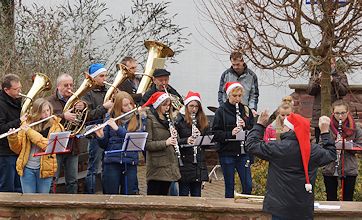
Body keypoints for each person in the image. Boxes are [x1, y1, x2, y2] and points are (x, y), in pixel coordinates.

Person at [246, 112, 336, 220]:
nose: (282, 128)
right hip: (303, 209)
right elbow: (331, 154)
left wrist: (260, 124)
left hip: (279, 209)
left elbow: (251, 144)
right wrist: (325, 132)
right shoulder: (313, 150)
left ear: (290, 129)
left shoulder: (277, 147)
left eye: (284, 125)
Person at [94, 91, 146, 194]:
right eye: (126, 105)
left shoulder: (138, 118)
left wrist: (117, 129)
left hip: (130, 162)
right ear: (118, 107)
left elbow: (136, 138)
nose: (130, 107)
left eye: (131, 104)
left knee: (129, 196)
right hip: (112, 162)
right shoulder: (110, 119)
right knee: (110, 195)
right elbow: (104, 145)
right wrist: (101, 136)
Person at [7, 98, 63, 193]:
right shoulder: (27, 124)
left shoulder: (56, 126)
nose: (46, 114)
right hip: (27, 168)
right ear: (36, 113)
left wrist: (29, 131)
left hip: (45, 169)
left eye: (48, 110)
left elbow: (48, 146)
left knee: (42, 201)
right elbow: (17, 149)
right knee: (29, 201)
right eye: (42, 112)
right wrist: (12, 137)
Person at [212, 82, 254, 198]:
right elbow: (215, 134)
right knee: (229, 186)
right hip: (227, 153)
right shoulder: (221, 111)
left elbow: (253, 130)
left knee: (248, 185)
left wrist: (245, 125)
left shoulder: (245, 110)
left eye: (240, 96)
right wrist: (231, 133)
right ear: (228, 95)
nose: (237, 99)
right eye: (234, 96)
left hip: (243, 152)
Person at [47, 73, 87, 194]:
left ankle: (72, 204)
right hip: (57, 145)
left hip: (72, 145)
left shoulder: (76, 100)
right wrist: (63, 116)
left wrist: (84, 106)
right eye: (66, 85)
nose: (69, 88)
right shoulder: (50, 101)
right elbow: (45, 119)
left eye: (71, 85)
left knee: (72, 180)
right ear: (58, 86)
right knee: (53, 178)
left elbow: (84, 119)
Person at [322, 100, 362, 201]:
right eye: (337, 113)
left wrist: (348, 145)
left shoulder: (356, 128)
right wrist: (333, 145)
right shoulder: (326, 126)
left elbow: (360, 145)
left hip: (349, 167)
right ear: (333, 113)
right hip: (331, 167)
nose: (340, 116)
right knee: (331, 200)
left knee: (348, 200)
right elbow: (319, 145)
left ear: (348, 112)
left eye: (343, 113)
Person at [83, 63, 114, 194]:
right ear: (94, 78)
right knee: (94, 167)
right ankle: (90, 194)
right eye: (101, 76)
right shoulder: (87, 93)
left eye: (106, 76)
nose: (105, 79)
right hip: (94, 133)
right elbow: (87, 116)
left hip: (107, 132)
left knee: (106, 166)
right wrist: (104, 107)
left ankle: (106, 193)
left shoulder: (108, 91)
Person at [143, 91, 181, 195]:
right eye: (164, 105)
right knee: (154, 196)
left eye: (169, 105)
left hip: (169, 163)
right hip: (157, 166)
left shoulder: (169, 119)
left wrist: (175, 135)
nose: (167, 108)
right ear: (158, 105)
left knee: (165, 196)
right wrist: (166, 142)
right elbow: (147, 144)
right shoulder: (150, 119)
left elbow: (176, 139)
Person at [175, 91, 209, 197]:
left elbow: (209, 142)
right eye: (191, 106)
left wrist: (201, 137)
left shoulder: (202, 121)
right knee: (184, 193)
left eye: (196, 106)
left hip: (198, 162)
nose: (194, 109)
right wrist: (186, 140)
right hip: (185, 161)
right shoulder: (179, 121)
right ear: (186, 106)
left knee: (197, 194)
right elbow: (174, 141)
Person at [307, 57, 348, 143]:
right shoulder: (316, 74)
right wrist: (318, 80)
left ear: (334, 64)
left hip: (336, 113)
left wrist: (333, 81)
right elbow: (310, 90)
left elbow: (344, 91)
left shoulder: (340, 75)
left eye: (331, 64)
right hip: (319, 113)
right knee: (319, 141)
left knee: (336, 139)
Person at [0, 74, 25, 192]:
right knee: (7, 187)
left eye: (20, 88)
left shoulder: (17, 100)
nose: (20, 91)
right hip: (4, 152)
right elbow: (1, 128)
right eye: (16, 89)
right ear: (6, 90)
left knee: (19, 187)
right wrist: (19, 121)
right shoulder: (1, 104)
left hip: (17, 149)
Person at [218, 51, 259, 116]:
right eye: (233, 64)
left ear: (243, 62)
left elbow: (254, 95)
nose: (235, 67)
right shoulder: (226, 75)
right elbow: (222, 93)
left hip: (245, 111)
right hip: (228, 111)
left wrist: (252, 109)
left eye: (238, 64)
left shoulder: (252, 76)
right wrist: (223, 107)